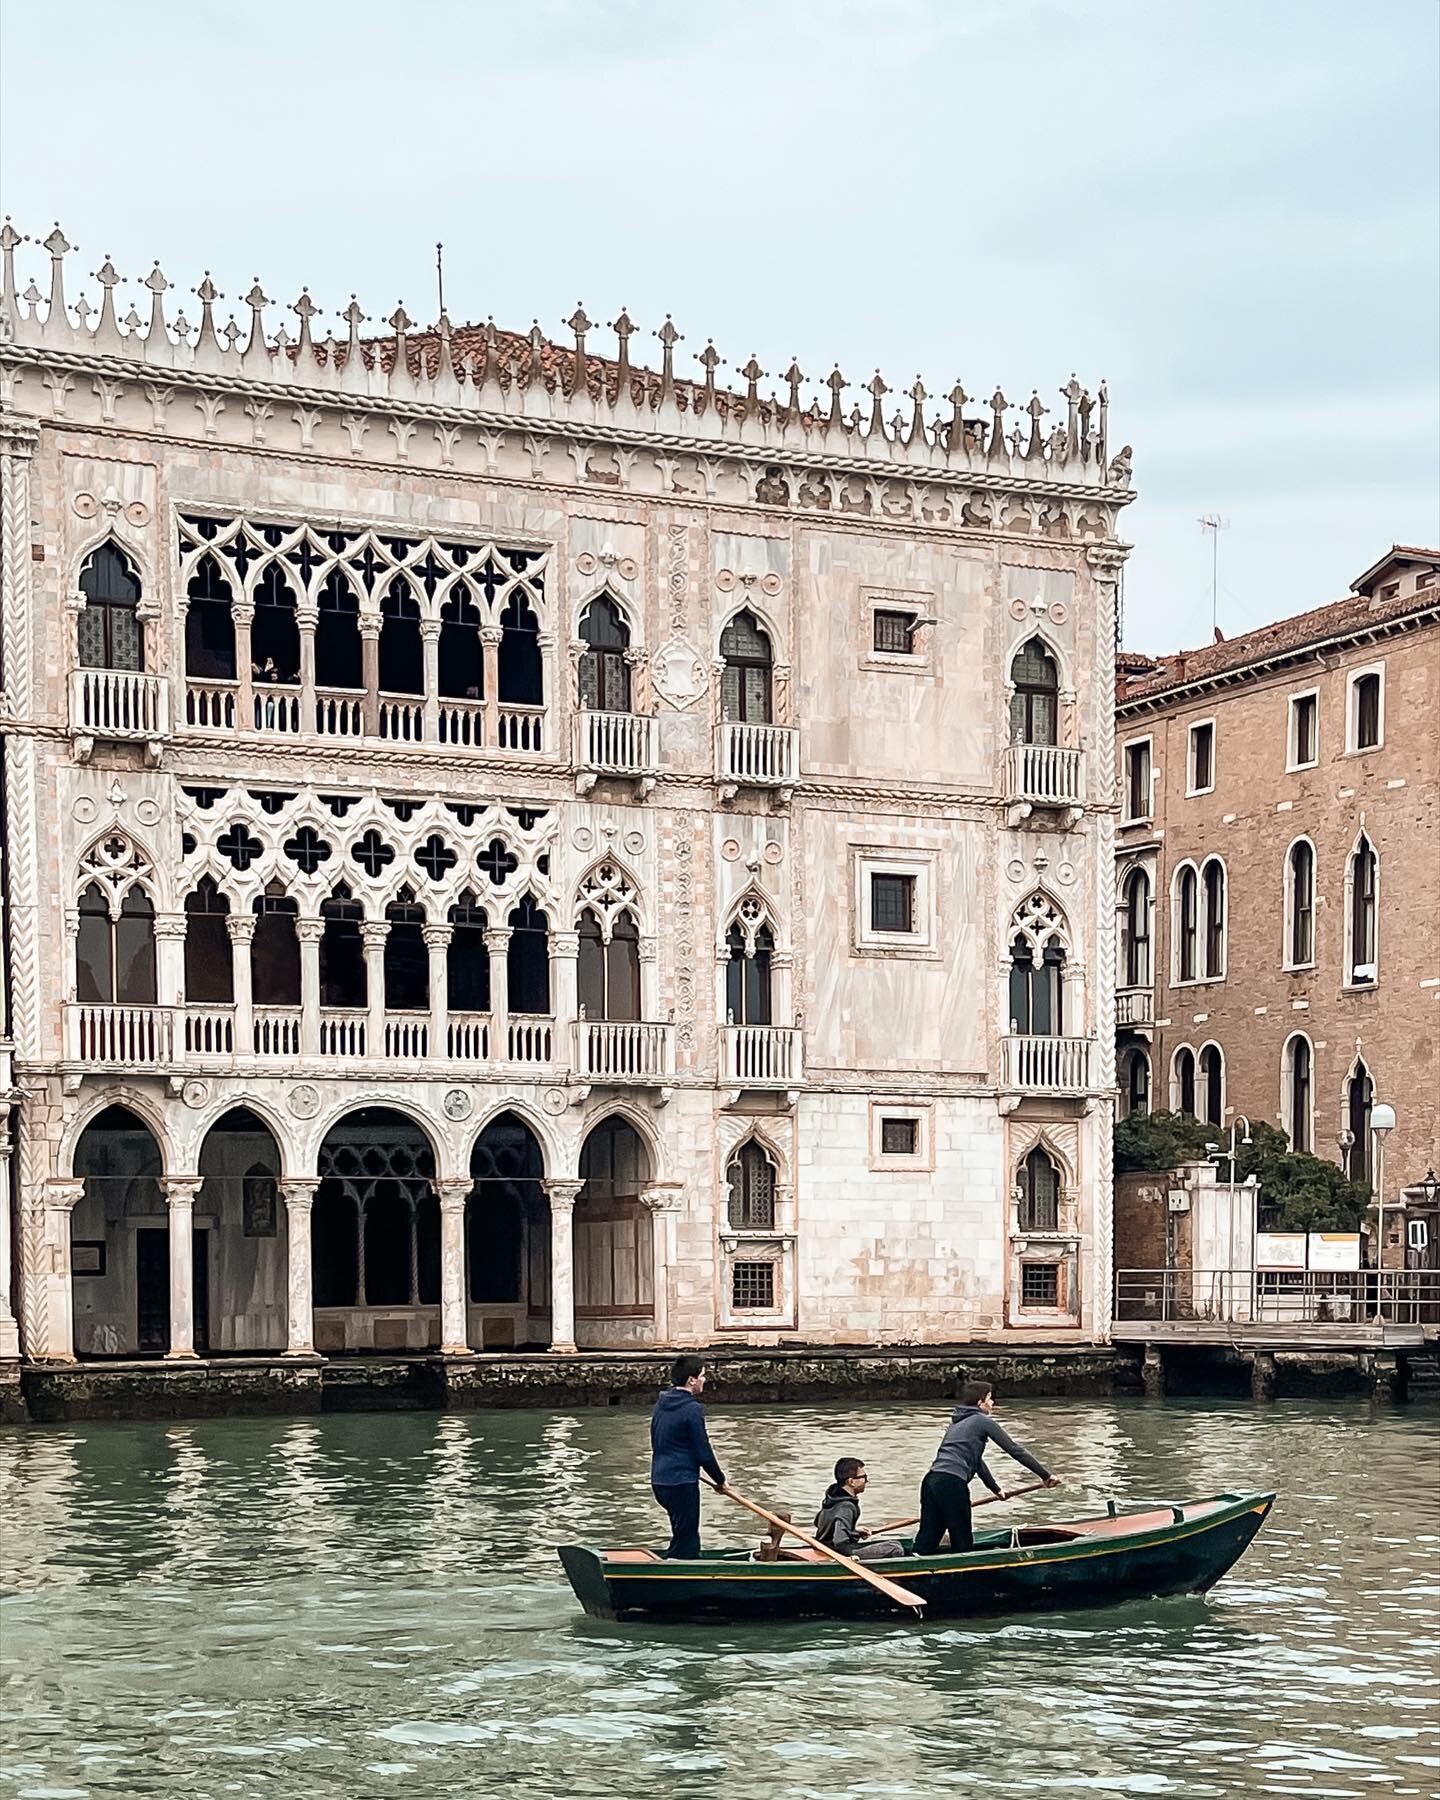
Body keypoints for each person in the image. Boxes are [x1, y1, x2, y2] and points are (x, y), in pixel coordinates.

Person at [915, 1378, 1060, 1555]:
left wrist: (996, 1489)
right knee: (962, 1539)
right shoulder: (982, 1421)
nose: (993, 1403)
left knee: (928, 1538)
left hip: (931, 1481)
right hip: (951, 1483)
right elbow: (1014, 1449)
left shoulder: (956, 1422)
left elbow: (976, 1461)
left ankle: (911, 1566)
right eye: (990, 1399)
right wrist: (1045, 1475)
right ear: (980, 1403)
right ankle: (965, 1577)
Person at [650, 1354, 726, 1560]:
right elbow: (702, 1451)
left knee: (682, 1535)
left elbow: (657, 1439)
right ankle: (682, 1577)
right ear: (691, 1380)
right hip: (680, 1482)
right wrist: (720, 1480)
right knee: (688, 1540)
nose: (705, 1380)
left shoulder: (661, 1403)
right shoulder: (692, 1408)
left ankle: (673, 1562)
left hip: (659, 1481)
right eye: (702, 1375)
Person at [814, 1457, 905, 1562]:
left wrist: (853, 1530)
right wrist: (851, 1538)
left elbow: (819, 1522)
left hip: (825, 1547)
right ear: (851, 1481)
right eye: (863, 1477)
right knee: (896, 1548)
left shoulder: (832, 1499)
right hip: (839, 1553)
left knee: (896, 1543)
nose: (866, 1481)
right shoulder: (846, 1506)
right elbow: (839, 1542)